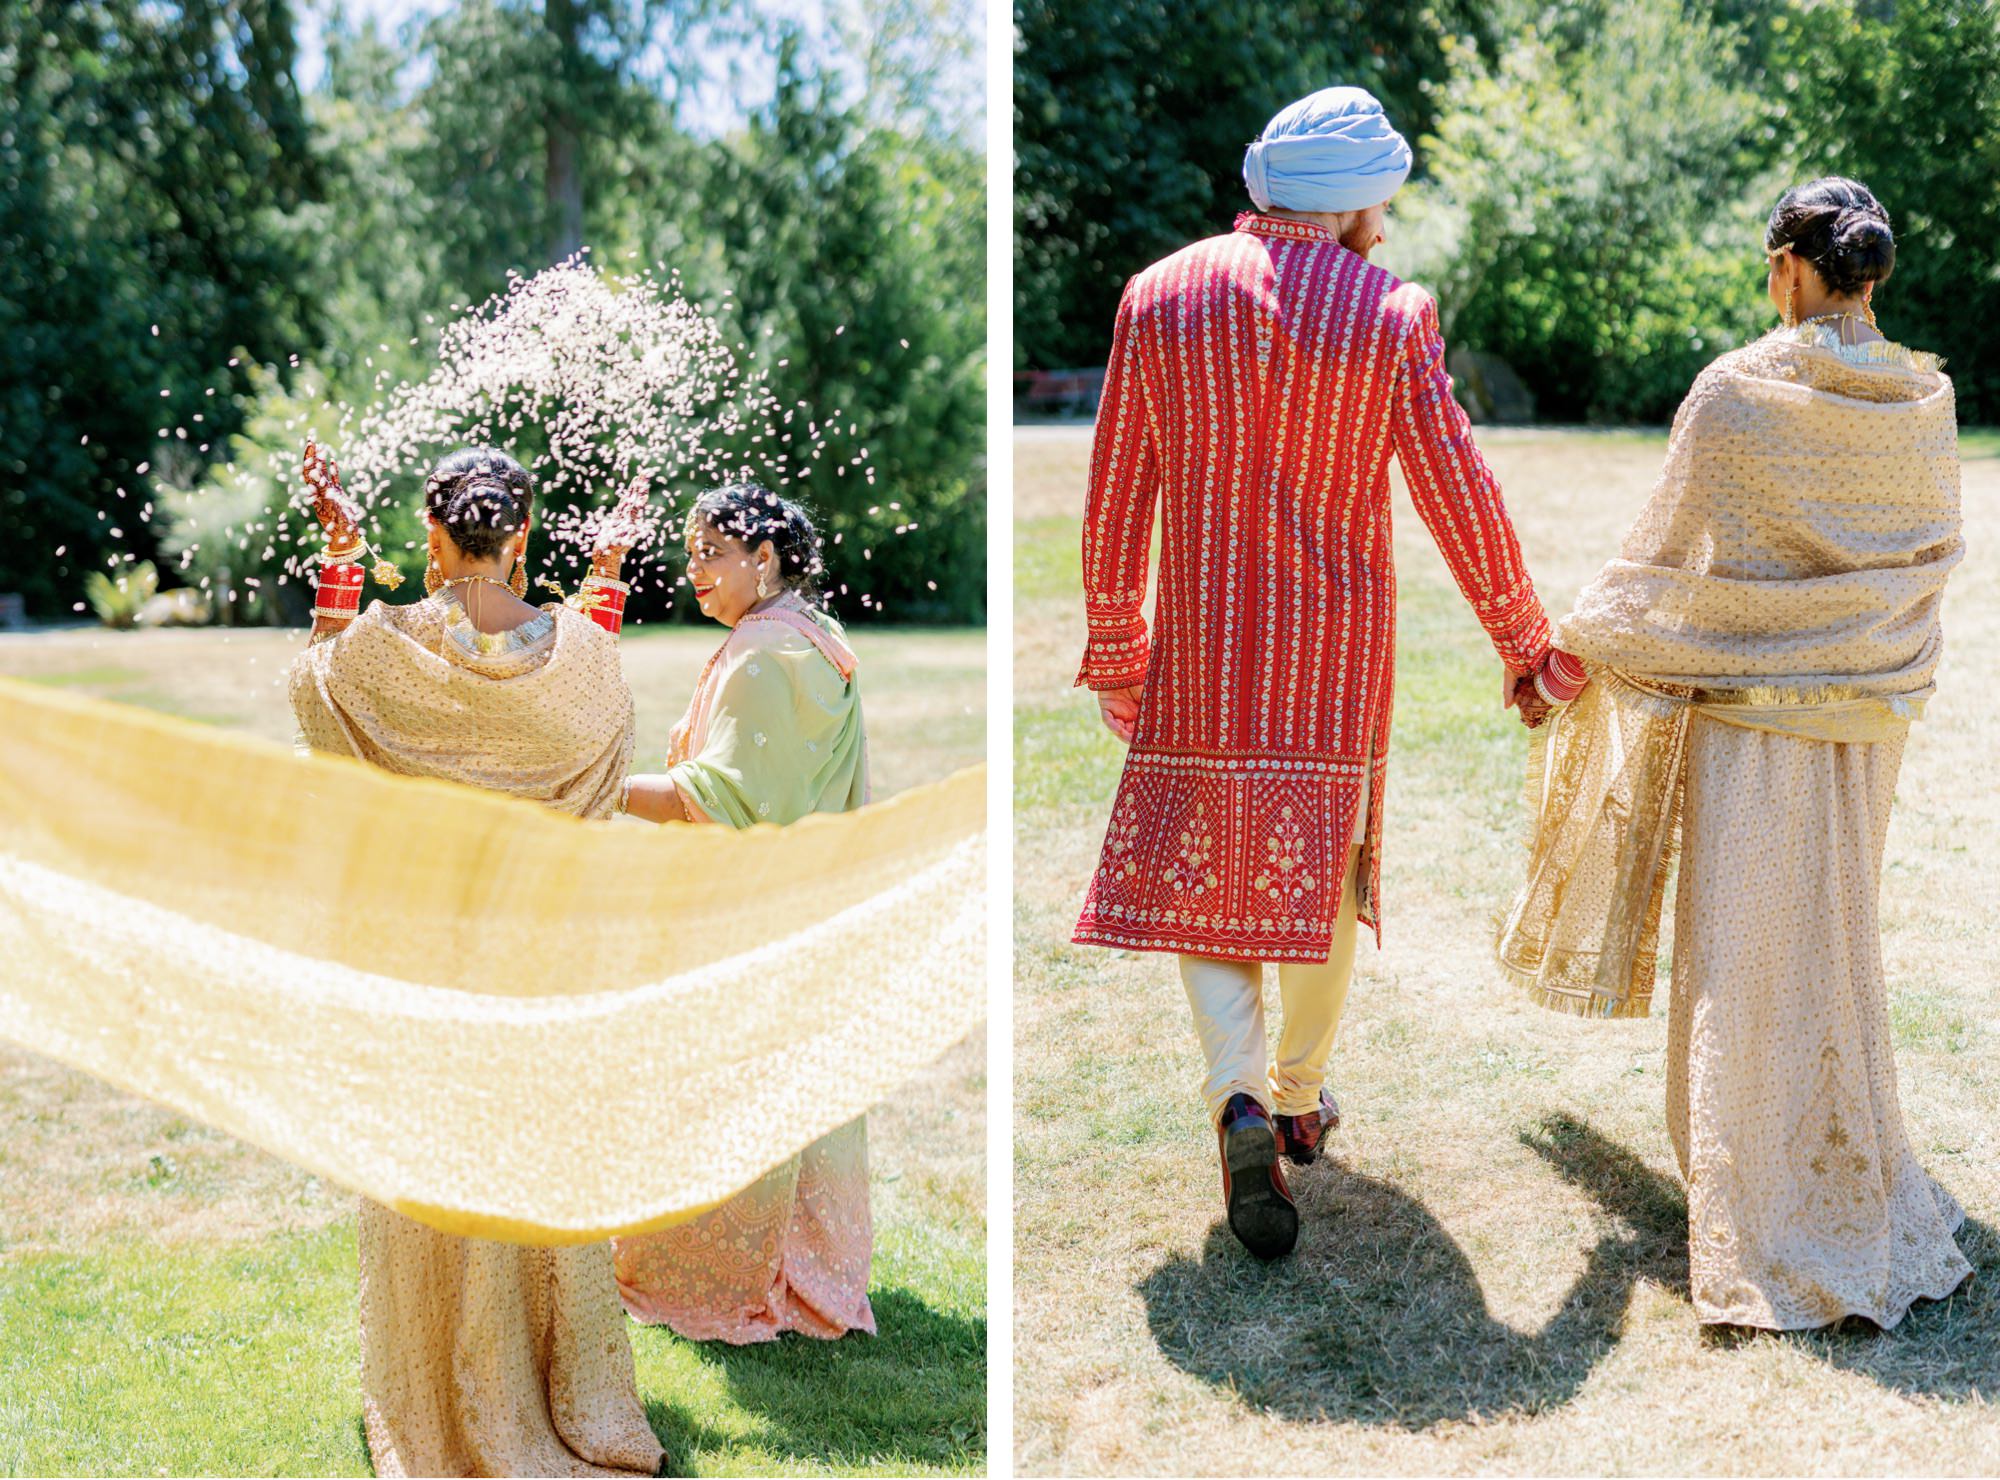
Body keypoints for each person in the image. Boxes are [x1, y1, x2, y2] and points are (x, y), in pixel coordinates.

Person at [1071, 85, 1577, 1261]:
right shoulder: (1385, 314)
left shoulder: (1157, 297)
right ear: (1347, 208)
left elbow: (1113, 489)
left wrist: (1116, 645)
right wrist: (1522, 643)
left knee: (1208, 877)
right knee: (1320, 874)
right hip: (1325, 660)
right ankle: (1295, 1090)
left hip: (1200, 650)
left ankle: (1238, 1097)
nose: (1386, 230)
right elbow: (1458, 489)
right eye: (1380, 206)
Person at [1499, 177, 1973, 1330]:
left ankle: (1761, 1208)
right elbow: (1928, 556)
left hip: (1756, 721)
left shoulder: (1737, 393)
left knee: (1742, 959)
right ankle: (1837, 1164)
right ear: (1870, 274)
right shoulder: (1925, 397)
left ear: (1786, 268)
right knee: (1832, 947)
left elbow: (1661, 558)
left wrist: (1554, 655)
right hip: (1867, 722)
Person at [289, 443, 663, 1477]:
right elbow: (595, 695)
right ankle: (560, 1388)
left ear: (434, 537)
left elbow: (314, 700)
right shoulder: (580, 655)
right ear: (524, 536)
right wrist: (613, 560)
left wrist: (341, 548)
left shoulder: (388, 649)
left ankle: (451, 1395)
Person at [611, 482, 876, 1342]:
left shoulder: (764, 656)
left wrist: (596, 787)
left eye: (711, 553)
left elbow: (715, 798)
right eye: (689, 553)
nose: (694, 571)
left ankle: (729, 1274)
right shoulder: (814, 636)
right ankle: (802, 1261)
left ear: (764, 558)